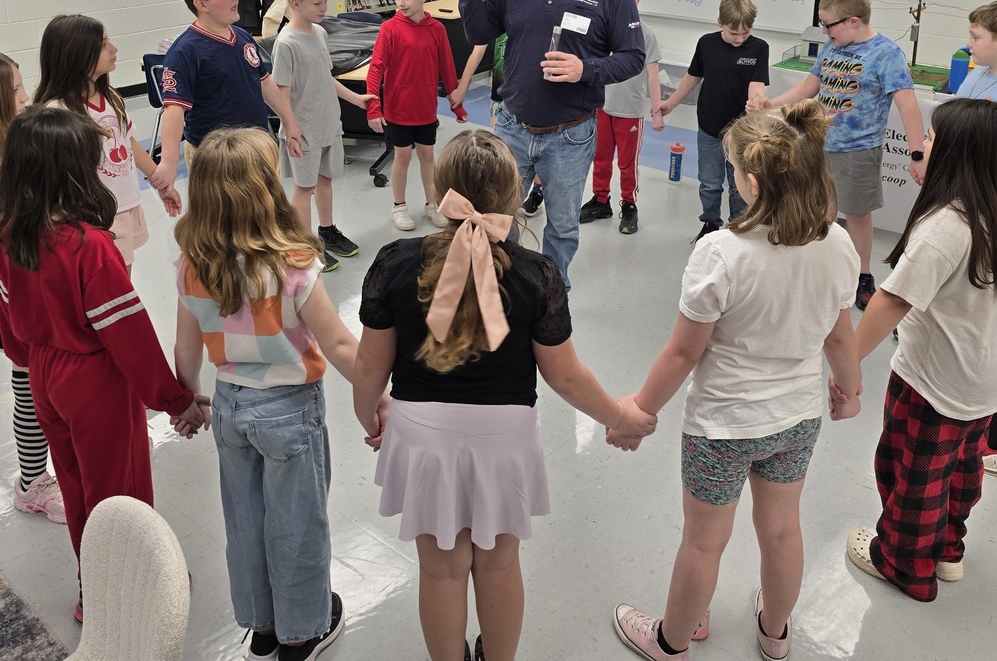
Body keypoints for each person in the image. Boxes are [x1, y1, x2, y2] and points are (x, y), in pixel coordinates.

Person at [352, 130, 656, 661]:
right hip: (504, 440)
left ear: (443, 190)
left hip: (423, 437)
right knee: (497, 563)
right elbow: (565, 375)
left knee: (442, 569)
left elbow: (369, 368)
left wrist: (373, 418)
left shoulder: (395, 262)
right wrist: (619, 415)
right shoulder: (537, 275)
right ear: (514, 197)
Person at [610, 101, 862, 661]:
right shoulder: (839, 243)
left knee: (704, 541)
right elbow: (841, 339)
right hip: (795, 419)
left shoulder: (720, 254)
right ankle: (775, 633)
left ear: (750, 182)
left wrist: (639, 412)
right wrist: (852, 390)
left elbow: (681, 353)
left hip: (720, 428)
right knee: (781, 532)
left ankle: (671, 640)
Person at [174, 128, 387, 661]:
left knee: (244, 523)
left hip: (229, 407)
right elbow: (339, 344)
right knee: (297, 525)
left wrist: (190, 398)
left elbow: (185, 351)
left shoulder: (192, 264)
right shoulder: (292, 265)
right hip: (289, 414)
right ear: (265, 192)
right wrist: (375, 398)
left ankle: (263, 626)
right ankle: (302, 632)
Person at [0, 108, 207, 622]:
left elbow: (7, 323)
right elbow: (130, 339)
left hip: (44, 375)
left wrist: (34, 360)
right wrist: (175, 401)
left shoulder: (9, 235)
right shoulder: (90, 247)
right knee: (122, 488)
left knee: (75, 485)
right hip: (93, 379)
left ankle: (92, 585)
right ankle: (136, 589)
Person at [840, 99, 997, 602]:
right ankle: (948, 550)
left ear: (960, 154)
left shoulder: (948, 225)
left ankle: (903, 564)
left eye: (934, 140)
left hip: (937, 381)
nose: (923, 145)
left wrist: (846, 363)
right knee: (962, 466)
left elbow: (892, 299)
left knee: (913, 469)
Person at [462, 0, 646, 290]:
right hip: (511, 126)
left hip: (569, 136)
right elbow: (478, 32)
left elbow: (633, 58)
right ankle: (501, 287)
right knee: (497, 217)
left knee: (562, 228)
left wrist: (586, 70)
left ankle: (550, 295)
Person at [749, 0, 926, 311]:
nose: (824, 31)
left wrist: (917, 154)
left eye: (829, 25)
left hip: (859, 150)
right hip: (819, 144)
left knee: (857, 214)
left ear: (854, 21)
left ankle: (862, 276)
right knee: (821, 209)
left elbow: (908, 106)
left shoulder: (886, 53)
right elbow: (808, 87)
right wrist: (769, 106)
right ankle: (820, 268)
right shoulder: (833, 47)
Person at [35, 14, 181, 277]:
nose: (114, 48)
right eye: (103, 44)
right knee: (108, 288)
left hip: (125, 207)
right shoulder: (58, 112)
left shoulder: (110, 97)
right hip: (94, 219)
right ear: (77, 54)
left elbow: (128, 141)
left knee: (122, 282)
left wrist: (160, 181)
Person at [150, 0, 304, 194]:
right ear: (201, 4)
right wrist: (168, 163)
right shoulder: (185, 51)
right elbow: (174, 109)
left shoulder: (241, 36)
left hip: (256, 145)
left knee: (263, 217)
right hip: (216, 155)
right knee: (225, 223)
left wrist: (290, 122)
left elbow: (265, 83)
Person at [953, 1, 997, 476]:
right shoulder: (978, 75)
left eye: (976, 36)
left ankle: (995, 439)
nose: (969, 44)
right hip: (974, 205)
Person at [271, 0, 376, 271]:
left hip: (328, 123)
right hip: (302, 129)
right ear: (296, 3)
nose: (324, 9)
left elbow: (326, 77)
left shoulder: (320, 32)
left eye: (325, 2)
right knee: (304, 188)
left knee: (325, 179)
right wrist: (291, 127)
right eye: (317, 4)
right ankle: (305, 244)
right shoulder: (286, 43)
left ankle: (327, 231)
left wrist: (356, 99)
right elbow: (282, 93)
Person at [0, 53, 65, 524]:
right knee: (26, 378)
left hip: (21, 276)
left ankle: (34, 473)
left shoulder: (14, 145)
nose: (26, 97)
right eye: (18, 90)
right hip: (11, 287)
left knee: (29, 375)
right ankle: (32, 481)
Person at [657, 0, 769, 243]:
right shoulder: (706, 43)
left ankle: (738, 228)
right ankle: (710, 222)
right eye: (733, 33)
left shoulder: (759, 48)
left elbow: (757, 84)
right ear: (720, 22)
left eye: (745, 32)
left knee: (739, 184)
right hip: (709, 128)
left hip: (741, 133)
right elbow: (692, 77)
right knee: (709, 181)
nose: (740, 39)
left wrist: (756, 101)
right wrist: (671, 103)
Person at [366, 0, 467, 233]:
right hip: (398, 110)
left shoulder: (437, 30)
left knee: (427, 156)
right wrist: (373, 106)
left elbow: (447, 68)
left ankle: (432, 203)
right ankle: (399, 206)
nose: (400, 3)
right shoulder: (389, 28)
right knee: (401, 158)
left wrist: (457, 106)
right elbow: (375, 68)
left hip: (425, 109)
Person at [454, 0, 547, 214]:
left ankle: (538, 189)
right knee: (503, 152)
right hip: (500, 98)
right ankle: (510, 192)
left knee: (537, 151)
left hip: (530, 101)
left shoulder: (531, 18)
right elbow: (477, 49)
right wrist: (463, 86)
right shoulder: (496, 16)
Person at [579, 0, 664, 235]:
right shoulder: (600, 28)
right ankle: (601, 200)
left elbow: (652, 76)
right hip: (602, 107)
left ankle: (629, 205)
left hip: (630, 111)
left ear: (635, 2)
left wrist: (657, 111)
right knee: (601, 158)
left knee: (627, 163)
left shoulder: (645, 34)